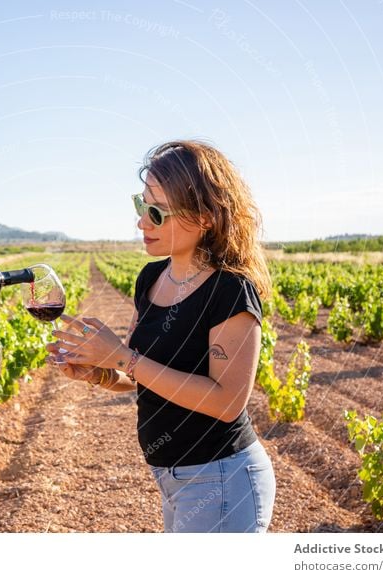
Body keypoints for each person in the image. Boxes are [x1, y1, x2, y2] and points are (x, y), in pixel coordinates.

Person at [48, 140, 276, 533]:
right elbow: (142, 377)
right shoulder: (151, 278)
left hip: (220, 477)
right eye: (141, 205)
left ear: (205, 218)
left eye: (157, 212)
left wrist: (122, 356)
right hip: (172, 479)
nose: (142, 222)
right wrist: (100, 373)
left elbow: (226, 402)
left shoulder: (230, 291)